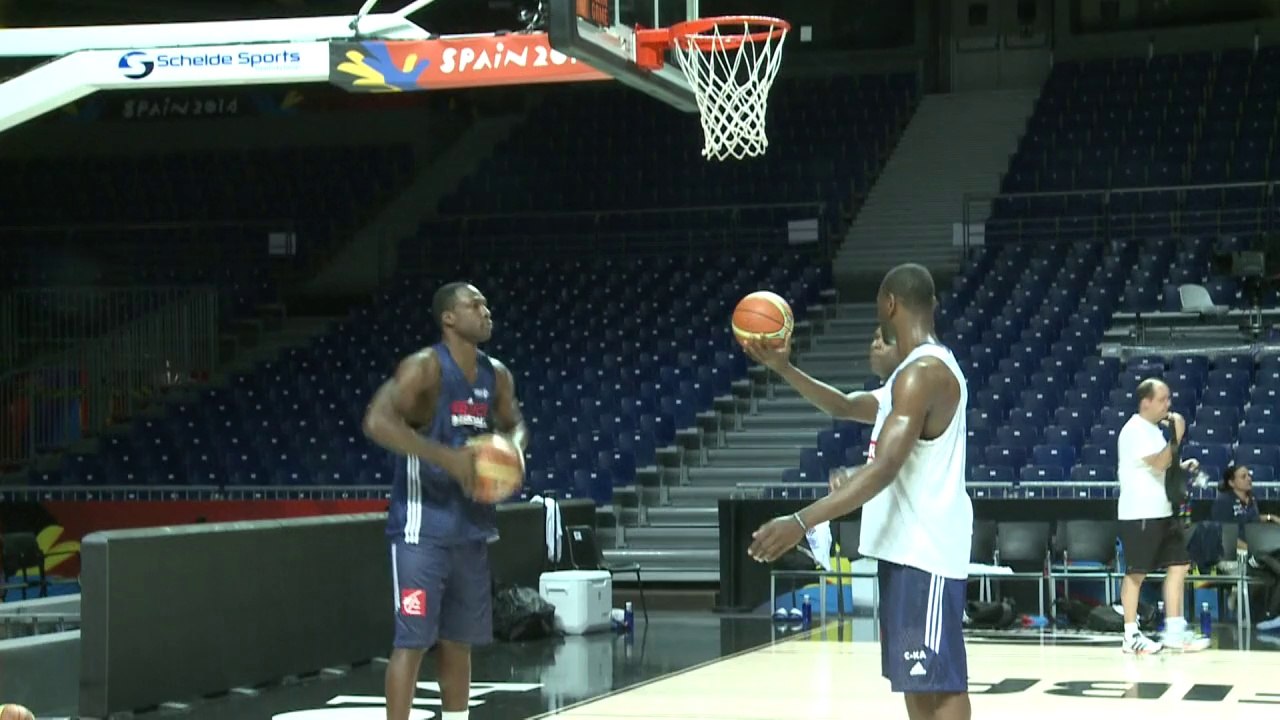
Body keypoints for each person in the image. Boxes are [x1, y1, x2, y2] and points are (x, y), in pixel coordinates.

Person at [748, 263, 973, 720]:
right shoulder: (907, 374)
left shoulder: (924, 373)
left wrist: (800, 521)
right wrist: (785, 367)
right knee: (918, 679)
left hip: (925, 550)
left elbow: (884, 468)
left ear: (889, 303)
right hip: (907, 549)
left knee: (942, 681)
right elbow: (847, 405)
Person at [362, 282, 528, 720]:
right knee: (413, 642)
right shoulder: (425, 368)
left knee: (459, 642)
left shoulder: (498, 374)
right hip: (422, 529)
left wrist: (513, 452)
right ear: (448, 318)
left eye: (487, 304)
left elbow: (515, 425)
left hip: (471, 528)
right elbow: (377, 422)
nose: (486, 310)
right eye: (475, 304)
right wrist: (448, 460)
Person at [1115, 378, 1208, 654]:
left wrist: (1181, 465)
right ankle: (1130, 635)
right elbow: (1157, 461)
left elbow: (1162, 465)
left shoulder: (1153, 431)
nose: (1169, 404)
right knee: (1137, 573)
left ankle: (1175, 632)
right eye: (1163, 399)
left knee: (1179, 565)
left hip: (1164, 511)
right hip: (1140, 513)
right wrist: (1176, 436)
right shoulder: (1134, 430)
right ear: (1146, 402)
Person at [1211, 464, 1280, 632]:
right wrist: (1250, 549)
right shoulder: (1223, 502)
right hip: (1231, 554)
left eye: (1249, 475)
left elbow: (1252, 519)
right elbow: (1223, 535)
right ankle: (1270, 616)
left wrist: (1271, 517)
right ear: (1232, 482)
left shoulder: (1251, 499)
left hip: (1256, 552)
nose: (1249, 478)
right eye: (1243, 476)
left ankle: (1271, 615)